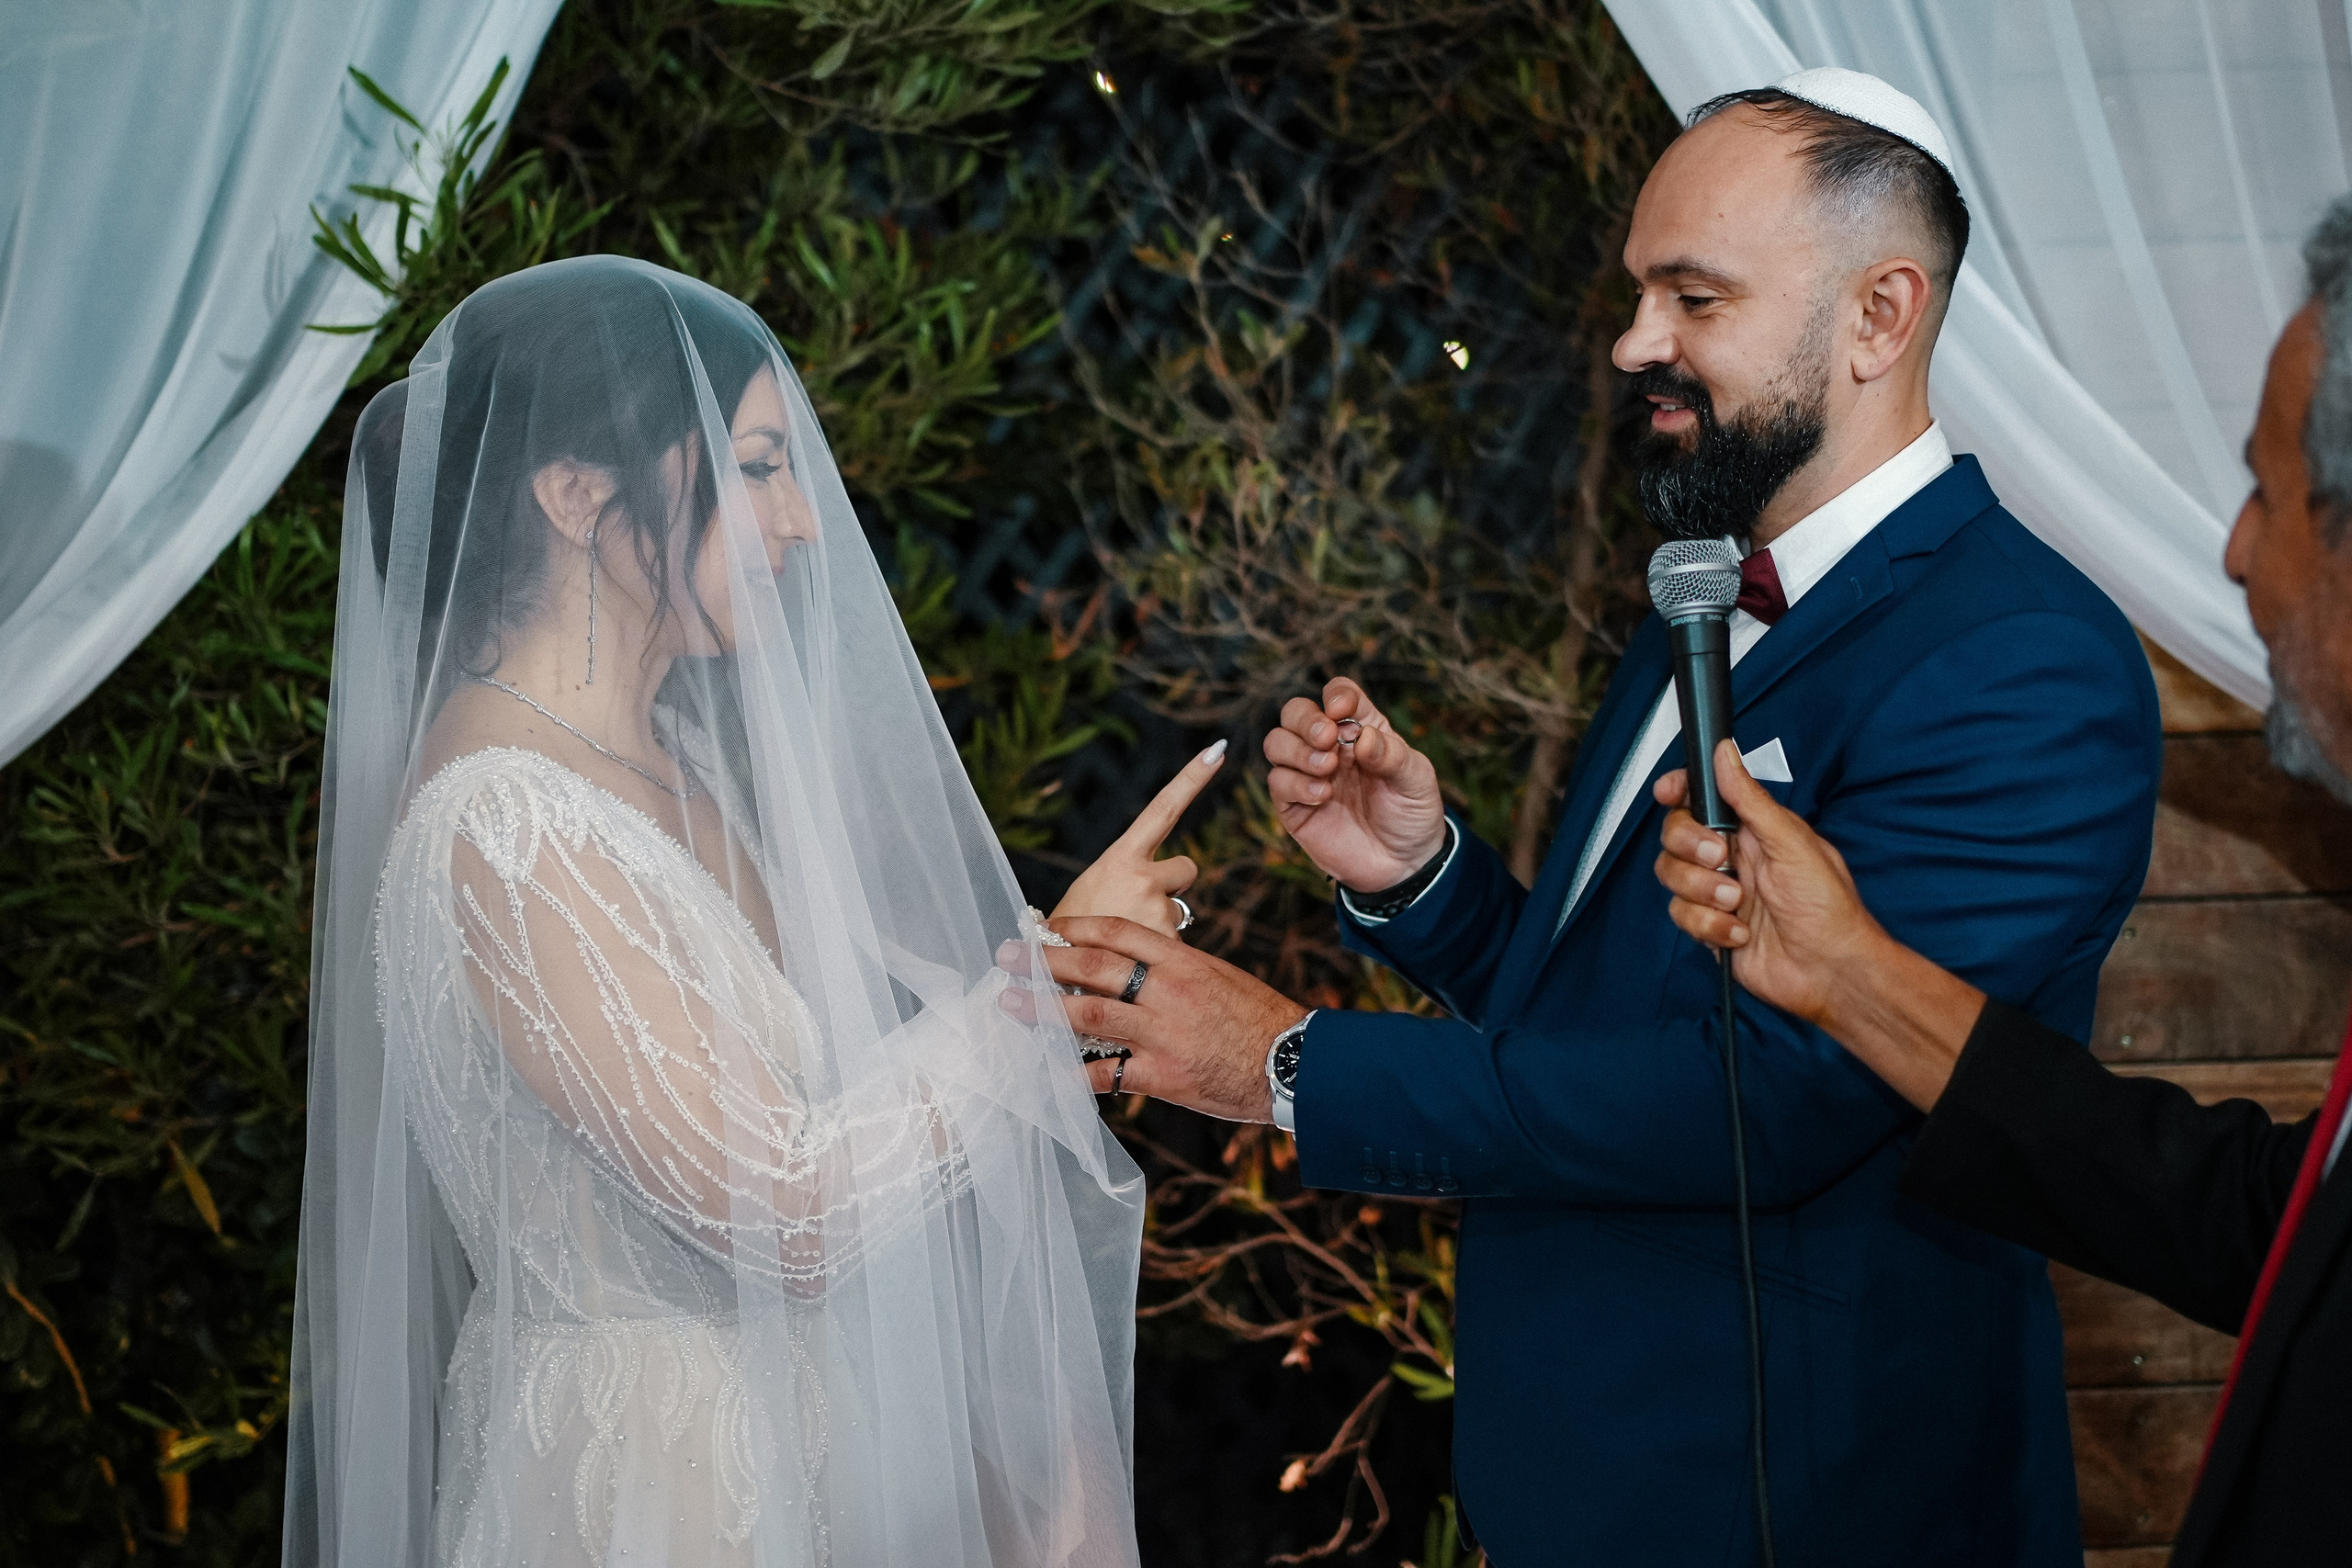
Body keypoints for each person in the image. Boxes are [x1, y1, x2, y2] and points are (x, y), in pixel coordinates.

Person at [1033, 70, 2161, 1564]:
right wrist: (1430, 883)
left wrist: (1285, 1064)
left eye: (1694, 296)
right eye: (1639, 294)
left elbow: (1772, 1100)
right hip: (1586, 1480)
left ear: (1881, 317)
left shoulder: (2022, 661)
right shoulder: (1698, 586)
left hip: (1811, 1501)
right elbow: (1609, 1030)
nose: (1637, 344)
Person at [282, 254, 1216, 1568]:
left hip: (822, 1466)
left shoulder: (690, 767)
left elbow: (865, 1121)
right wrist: (1039, 990)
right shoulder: (506, 824)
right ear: (573, 494)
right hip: (650, 1495)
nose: (801, 521)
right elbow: (780, 1210)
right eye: (758, 465)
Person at [1653, 196, 2352, 1568]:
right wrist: (1855, 976)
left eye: (2268, 492)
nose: (2230, 553)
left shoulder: (2025, 653)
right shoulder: (1702, 602)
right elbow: (2269, 1222)